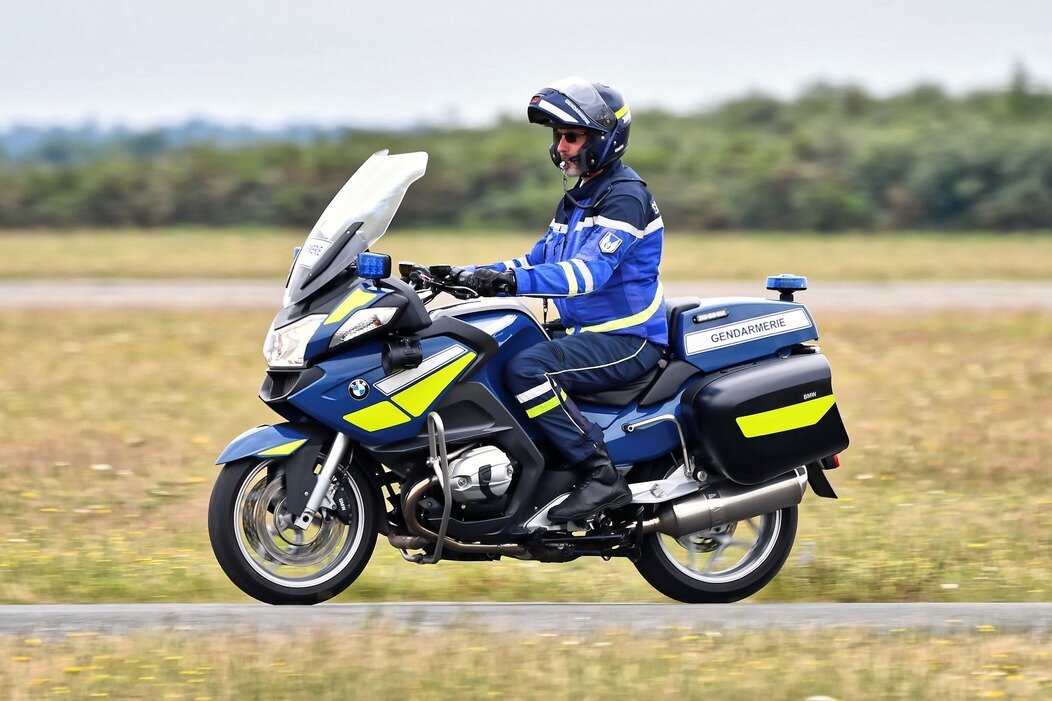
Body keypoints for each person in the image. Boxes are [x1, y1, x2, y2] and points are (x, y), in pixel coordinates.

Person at [454, 77, 667, 523]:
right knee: (493, 351)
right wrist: (463, 274)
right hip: (584, 332)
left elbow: (588, 274)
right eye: (558, 138)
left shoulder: (625, 197)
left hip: (627, 339)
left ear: (605, 139)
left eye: (572, 137)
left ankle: (599, 474)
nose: (562, 149)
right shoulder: (577, 200)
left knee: (527, 368)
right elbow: (534, 260)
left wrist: (509, 281)